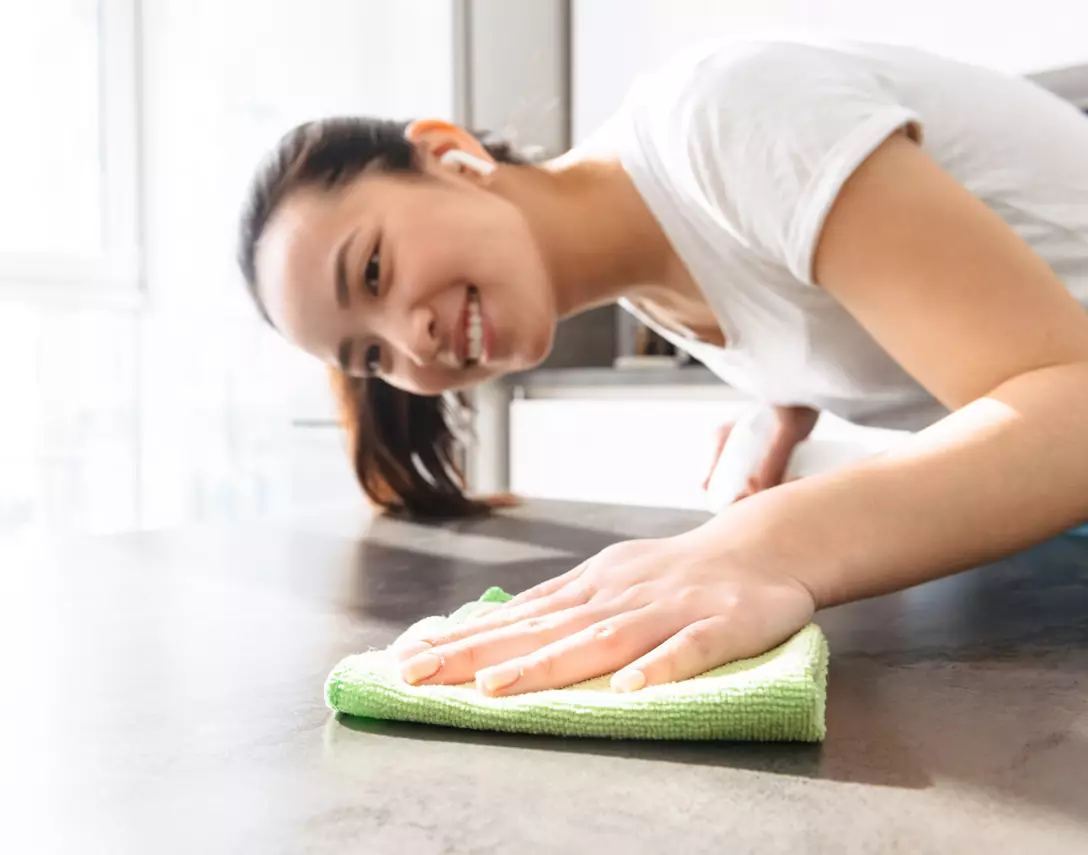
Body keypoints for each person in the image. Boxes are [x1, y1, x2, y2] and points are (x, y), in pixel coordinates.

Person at [237, 37, 1088, 698]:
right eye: (373, 356)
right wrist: (789, 400)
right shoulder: (657, 284)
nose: (412, 342)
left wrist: (767, 543)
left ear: (450, 153)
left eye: (374, 272)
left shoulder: (724, 115)